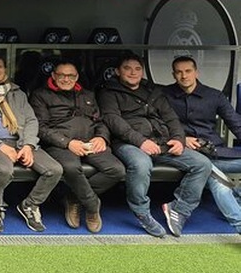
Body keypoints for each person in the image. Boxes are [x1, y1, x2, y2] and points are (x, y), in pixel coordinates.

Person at [97, 53, 211, 237]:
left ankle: (179, 209)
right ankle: (142, 212)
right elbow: (113, 120)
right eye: (127, 68)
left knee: (202, 164)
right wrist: (141, 141)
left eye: (137, 69)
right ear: (118, 71)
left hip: (162, 141)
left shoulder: (153, 90)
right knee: (141, 164)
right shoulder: (108, 91)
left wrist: (178, 139)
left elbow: (170, 116)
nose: (133, 72)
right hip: (128, 143)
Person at [0, 52, 62, 233]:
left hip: (19, 141)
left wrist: (28, 145)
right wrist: (1, 146)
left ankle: (30, 205)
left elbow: (32, 121)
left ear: (5, 69)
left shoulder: (17, 93)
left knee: (54, 170)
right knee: (4, 170)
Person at [30, 60, 125, 233]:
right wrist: (67, 143)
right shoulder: (40, 95)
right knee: (71, 167)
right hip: (61, 145)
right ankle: (92, 205)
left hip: (90, 142)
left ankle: (74, 197)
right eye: (61, 75)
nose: (66, 79)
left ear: (77, 77)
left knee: (117, 169)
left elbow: (100, 121)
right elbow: (41, 128)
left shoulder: (87, 95)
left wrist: (101, 137)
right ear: (53, 75)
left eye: (71, 76)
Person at [163, 56, 241, 234]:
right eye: (179, 72)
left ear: (196, 72)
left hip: (216, 151)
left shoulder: (214, 95)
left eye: (188, 71)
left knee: (216, 175)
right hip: (185, 154)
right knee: (219, 183)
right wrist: (182, 138)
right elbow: (155, 124)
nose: (184, 76)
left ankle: (238, 196)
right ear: (173, 75)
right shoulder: (164, 95)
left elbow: (236, 123)